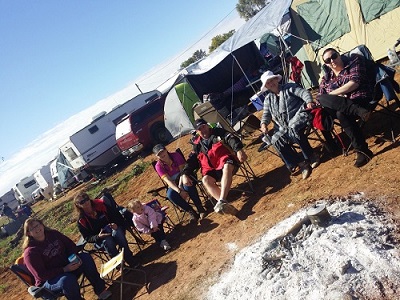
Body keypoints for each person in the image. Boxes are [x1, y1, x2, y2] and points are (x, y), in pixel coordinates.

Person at [22, 217, 112, 300]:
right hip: (50, 281)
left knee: (85, 258)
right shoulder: (30, 253)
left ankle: (101, 291)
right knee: (67, 280)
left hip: (68, 266)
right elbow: (41, 275)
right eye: (32, 228)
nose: (37, 229)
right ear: (29, 233)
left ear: (42, 225)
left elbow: (70, 246)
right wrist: (64, 269)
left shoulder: (53, 234)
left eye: (37, 225)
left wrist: (74, 257)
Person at [318, 48, 373, 167]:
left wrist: (333, 94)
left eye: (333, 56)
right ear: (326, 64)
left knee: (341, 113)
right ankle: (358, 112)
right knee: (322, 98)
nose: (332, 61)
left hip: (359, 99)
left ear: (339, 54)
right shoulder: (326, 78)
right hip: (353, 109)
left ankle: (362, 151)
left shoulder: (354, 61)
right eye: (328, 60)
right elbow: (321, 98)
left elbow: (355, 82)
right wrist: (337, 97)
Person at [259, 70, 320, 179]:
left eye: (272, 80)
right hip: (283, 125)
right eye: (268, 83)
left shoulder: (289, 87)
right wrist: (263, 124)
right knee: (276, 139)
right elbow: (266, 114)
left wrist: (309, 101)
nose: (271, 83)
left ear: (276, 79)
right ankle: (301, 163)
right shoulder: (268, 99)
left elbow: (303, 92)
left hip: (299, 117)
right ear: (266, 86)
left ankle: (312, 156)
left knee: (293, 129)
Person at [182, 118, 248, 215]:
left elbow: (231, 138)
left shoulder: (218, 133)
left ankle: (222, 201)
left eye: (204, 126)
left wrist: (238, 150)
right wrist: (185, 174)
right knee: (205, 180)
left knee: (226, 166)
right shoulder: (197, 145)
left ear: (208, 125)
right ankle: (225, 205)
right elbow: (191, 160)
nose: (203, 130)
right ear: (197, 132)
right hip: (212, 169)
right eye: (199, 129)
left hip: (229, 163)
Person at [74, 192, 140, 268]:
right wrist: (98, 236)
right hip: (100, 240)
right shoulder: (81, 220)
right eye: (82, 202)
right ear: (78, 205)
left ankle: (129, 259)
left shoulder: (101, 205)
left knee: (118, 232)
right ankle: (120, 265)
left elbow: (116, 215)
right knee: (108, 240)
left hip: (113, 229)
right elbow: (87, 237)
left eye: (86, 199)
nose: (86, 202)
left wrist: (116, 224)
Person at [153, 144, 206, 221]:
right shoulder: (158, 166)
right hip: (173, 183)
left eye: (162, 151)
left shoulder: (175, 155)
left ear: (166, 150)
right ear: (156, 156)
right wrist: (179, 190)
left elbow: (183, 172)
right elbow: (168, 180)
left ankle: (200, 208)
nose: (162, 155)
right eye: (159, 154)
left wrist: (180, 186)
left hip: (185, 176)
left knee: (187, 184)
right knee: (170, 194)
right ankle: (191, 211)